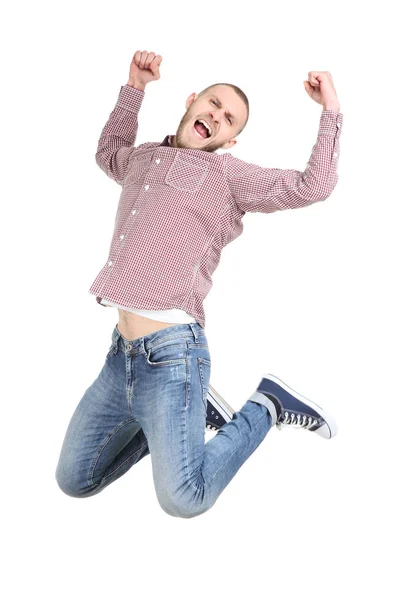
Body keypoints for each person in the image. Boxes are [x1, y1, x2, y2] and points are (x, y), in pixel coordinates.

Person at [55, 50, 343, 518]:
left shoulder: (227, 176)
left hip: (173, 356)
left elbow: (314, 185)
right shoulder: (143, 157)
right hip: (120, 358)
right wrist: (135, 87)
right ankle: (183, 417)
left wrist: (330, 111)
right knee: (76, 480)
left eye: (229, 120)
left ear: (229, 141)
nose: (216, 115)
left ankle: (267, 404)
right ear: (192, 101)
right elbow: (107, 154)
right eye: (213, 104)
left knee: (185, 498)